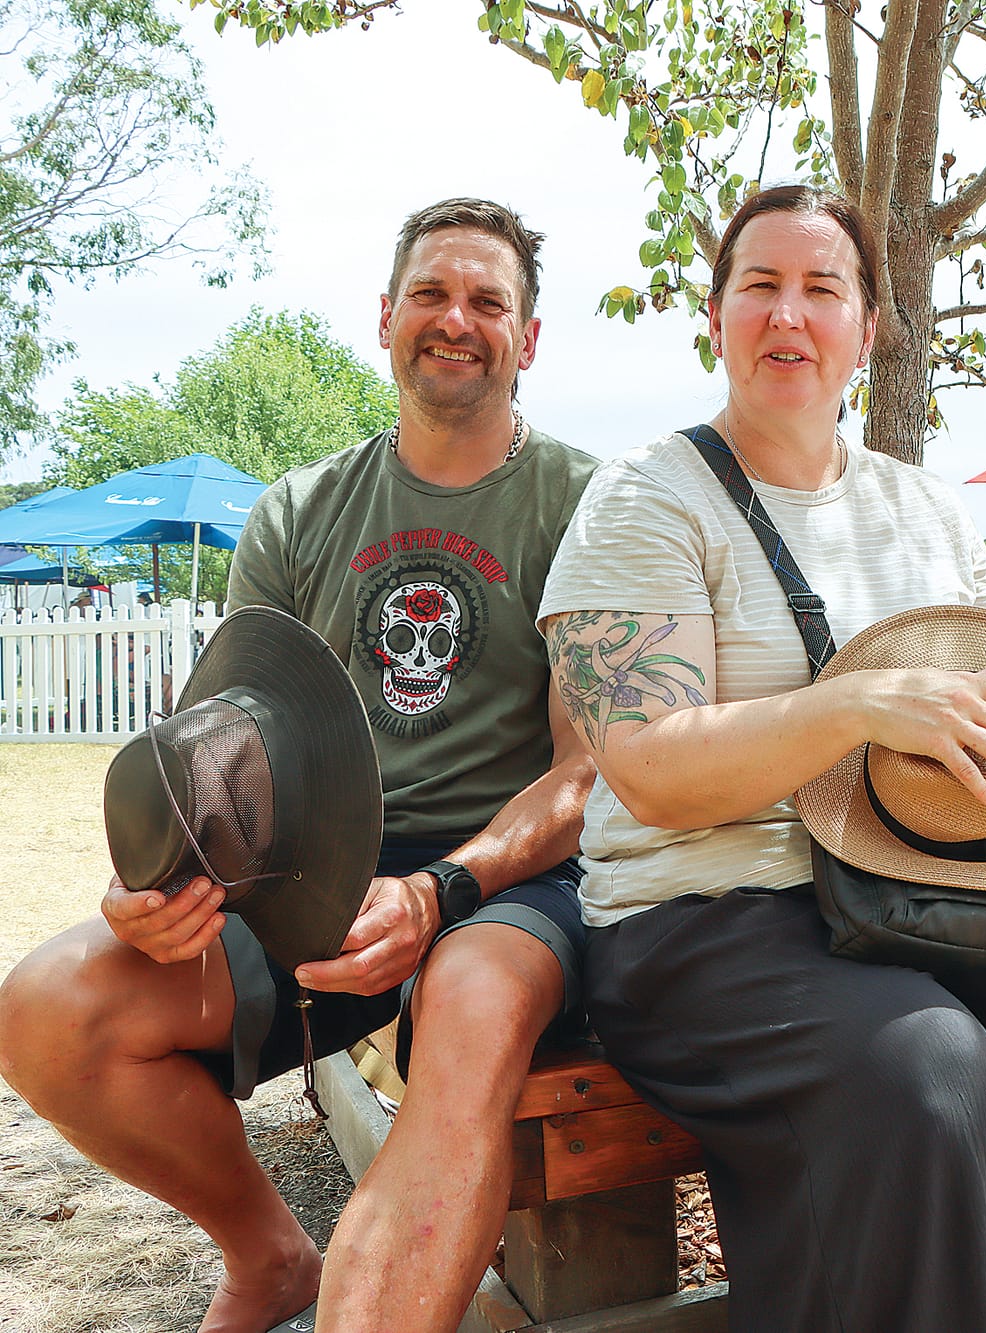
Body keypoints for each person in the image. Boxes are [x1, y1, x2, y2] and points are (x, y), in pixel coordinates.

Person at [535, 185, 986, 1333]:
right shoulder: (643, 499)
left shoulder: (926, 512)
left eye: (821, 289)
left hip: (928, 894)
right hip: (703, 914)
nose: (787, 316)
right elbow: (645, 769)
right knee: (934, 1079)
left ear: (868, 326)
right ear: (715, 316)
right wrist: (853, 706)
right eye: (759, 286)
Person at [0, 198, 600, 1333]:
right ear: (384, 317)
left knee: (466, 1021)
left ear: (529, 337)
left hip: (507, 882)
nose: (455, 319)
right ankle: (269, 1253)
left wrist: (441, 890)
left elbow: (583, 775)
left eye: (488, 300)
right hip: (319, 875)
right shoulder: (298, 511)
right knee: (46, 1012)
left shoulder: (584, 501)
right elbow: (224, 759)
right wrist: (160, 887)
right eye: (430, 292)